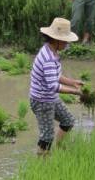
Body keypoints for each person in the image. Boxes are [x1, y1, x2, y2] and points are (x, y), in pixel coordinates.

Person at [29, 17, 83, 156]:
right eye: (65, 41)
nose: (67, 44)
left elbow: (56, 76)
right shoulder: (48, 58)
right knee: (47, 136)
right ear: (57, 40)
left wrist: (72, 82)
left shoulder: (52, 52)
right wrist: (75, 92)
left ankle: (58, 149)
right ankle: (42, 164)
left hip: (50, 98)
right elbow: (53, 85)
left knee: (68, 121)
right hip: (42, 101)